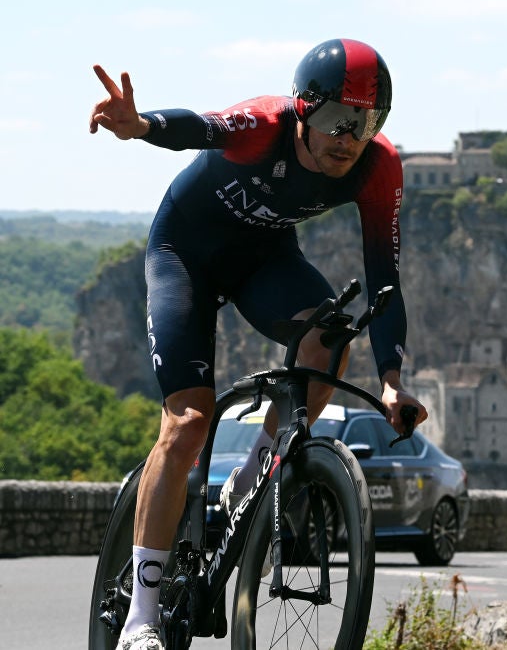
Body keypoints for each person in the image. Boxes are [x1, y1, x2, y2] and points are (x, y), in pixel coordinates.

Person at [90, 38, 427, 650]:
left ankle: (250, 476)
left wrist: (393, 379)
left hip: (263, 260)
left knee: (331, 337)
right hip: (185, 255)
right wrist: (141, 126)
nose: (348, 137)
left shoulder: (379, 168)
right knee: (190, 420)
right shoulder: (266, 123)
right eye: (335, 120)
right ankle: (141, 615)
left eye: (366, 122)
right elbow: (200, 126)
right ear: (303, 108)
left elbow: (386, 278)